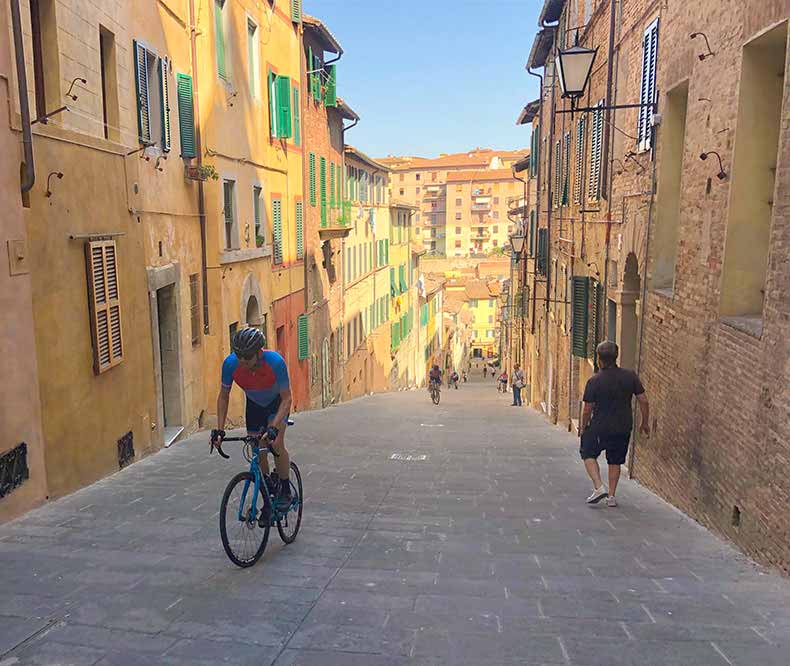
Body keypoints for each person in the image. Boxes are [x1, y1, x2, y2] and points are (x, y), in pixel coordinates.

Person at [211, 328, 293, 510]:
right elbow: (224, 396)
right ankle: (267, 492)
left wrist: (273, 426)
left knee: (276, 443)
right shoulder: (230, 364)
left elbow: (287, 398)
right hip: (255, 405)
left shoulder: (275, 362)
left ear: (258, 352)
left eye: (247, 357)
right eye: (239, 356)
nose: (243, 362)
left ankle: (286, 489)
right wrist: (219, 429)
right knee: (258, 448)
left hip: (277, 404)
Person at [579, 341, 649, 508]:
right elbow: (643, 401)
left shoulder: (594, 381)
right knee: (615, 460)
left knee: (587, 452)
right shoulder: (630, 376)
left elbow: (587, 409)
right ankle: (611, 496)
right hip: (623, 426)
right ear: (616, 357)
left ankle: (598, 487)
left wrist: (583, 426)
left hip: (599, 427)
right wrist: (644, 422)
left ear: (599, 359)